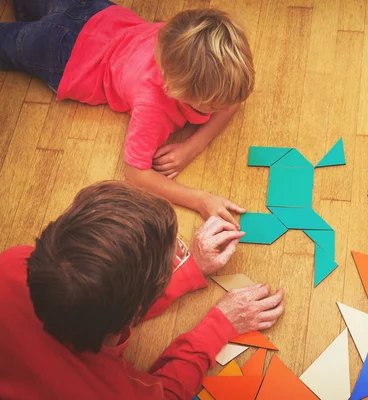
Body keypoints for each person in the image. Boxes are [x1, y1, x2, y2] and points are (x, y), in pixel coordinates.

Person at [0, 181, 285, 399]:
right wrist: (220, 326)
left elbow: (98, 289)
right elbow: (169, 393)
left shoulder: (13, 262)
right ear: (133, 315)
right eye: (173, 255)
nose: (179, 251)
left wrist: (189, 269)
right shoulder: (114, 394)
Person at [0, 0, 253, 226]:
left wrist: (192, 146)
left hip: (95, 12)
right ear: (175, 90)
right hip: (60, 53)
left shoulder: (182, 37)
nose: (227, 105)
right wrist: (200, 200)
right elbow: (135, 173)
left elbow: (232, 101)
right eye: (214, 105)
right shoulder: (153, 105)